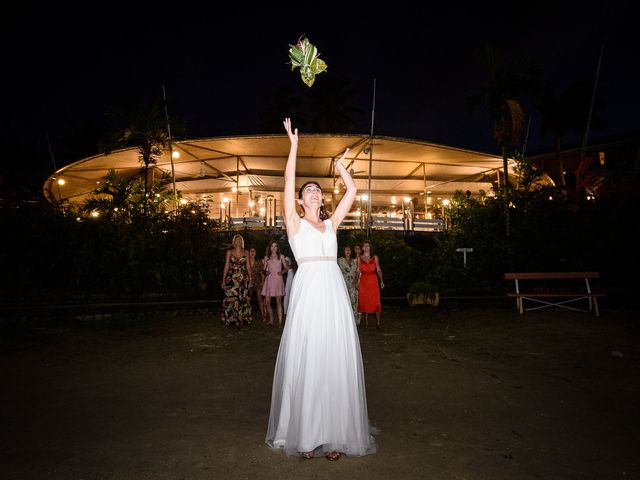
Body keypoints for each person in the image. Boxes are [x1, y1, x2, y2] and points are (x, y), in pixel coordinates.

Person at [266, 118, 376, 461]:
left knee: (332, 359)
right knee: (308, 358)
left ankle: (335, 436)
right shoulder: (294, 222)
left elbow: (353, 192)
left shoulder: (331, 224)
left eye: (316, 189)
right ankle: (305, 435)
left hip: (333, 294)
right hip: (309, 293)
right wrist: (294, 147)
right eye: (306, 191)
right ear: (299, 201)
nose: (312, 191)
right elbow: (287, 180)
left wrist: (341, 166)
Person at [221, 234, 252, 328]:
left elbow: (248, 266)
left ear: (242, 242)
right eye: (236, 240)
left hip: (243, 278)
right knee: (231, 299)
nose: (238, 241)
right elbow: (226, 266)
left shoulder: (246, 252)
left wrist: (250, 279)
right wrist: (223, 280)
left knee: (243, 298)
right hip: (231, 278)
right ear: (234, 242)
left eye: (240, 240)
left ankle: (243, 319)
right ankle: (232, 320)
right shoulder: (229, 252)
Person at [357, 241, 385, 330]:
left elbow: (378, 269)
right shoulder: (359, 258)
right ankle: (366, 323)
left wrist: (381, 281)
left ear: (370, 248)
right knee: (365, 301)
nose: (366, 247)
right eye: (364, 246)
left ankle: (378, 323)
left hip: (373, 281)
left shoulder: (375, 257)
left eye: (367, 246)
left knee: (376, 301)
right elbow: (358, 271)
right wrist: (357, 282)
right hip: (364, 281)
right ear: (362, 248)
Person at [261, 240, 288, 327]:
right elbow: (263, 270)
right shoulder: (266, 257)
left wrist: (282, 272)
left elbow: (286, 268)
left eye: (275, 246)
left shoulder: (281, 256)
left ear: (277, 248)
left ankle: (280, 322)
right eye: (272, 246)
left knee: (278, 302)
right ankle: (271, 319)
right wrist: (265, 272)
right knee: (267, 303)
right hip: (269, 280)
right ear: (270, 247)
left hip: (278, 280)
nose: (273, 248)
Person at [338, 245, 360, 325]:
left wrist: (356, 281)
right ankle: (345, 322)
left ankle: (354, 323)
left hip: (353, 285)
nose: (348, 251)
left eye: (349, 250)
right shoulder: (339, 261)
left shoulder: (354, 261)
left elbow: (358, 272)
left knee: (354, 303)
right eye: (346, 250)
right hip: (343, 285)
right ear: (343, 251)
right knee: (345, 303)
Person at [248, 247, 267, 322]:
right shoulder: (246, 261)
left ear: (256, 253)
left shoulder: (259, 262)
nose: (252, 252)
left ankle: (263, 316)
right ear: (248, 252)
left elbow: (262, 273)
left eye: (254, 251)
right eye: (251, 251)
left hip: (257, 282)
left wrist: (263, 282)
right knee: (247, 299)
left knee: (260, 299)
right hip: (248, 282)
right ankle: (247, 316)